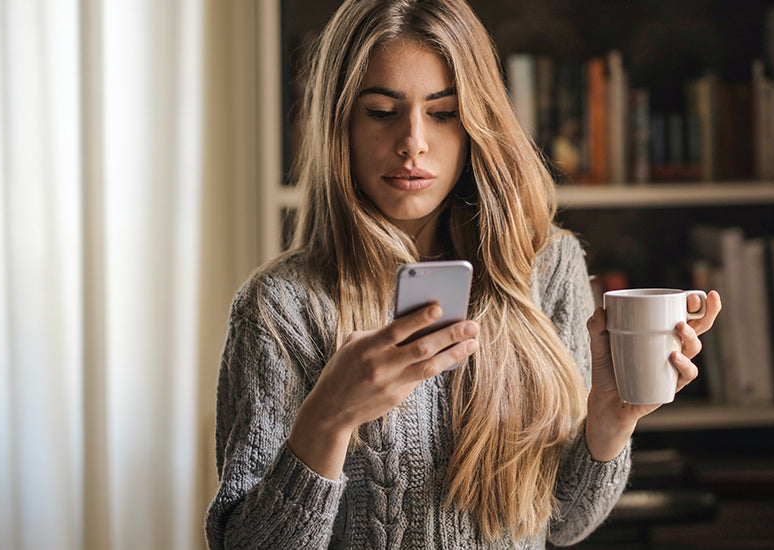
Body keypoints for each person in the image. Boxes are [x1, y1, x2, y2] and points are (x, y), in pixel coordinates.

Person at [204, 0, 721, 548]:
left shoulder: (545, 268)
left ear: (477, 122)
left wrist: (610, 424)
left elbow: (566, 525)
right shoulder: (278, 307)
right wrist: (326, 422)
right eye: (381, 111)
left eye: (443, 112)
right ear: (341, 123)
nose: (413, 141)